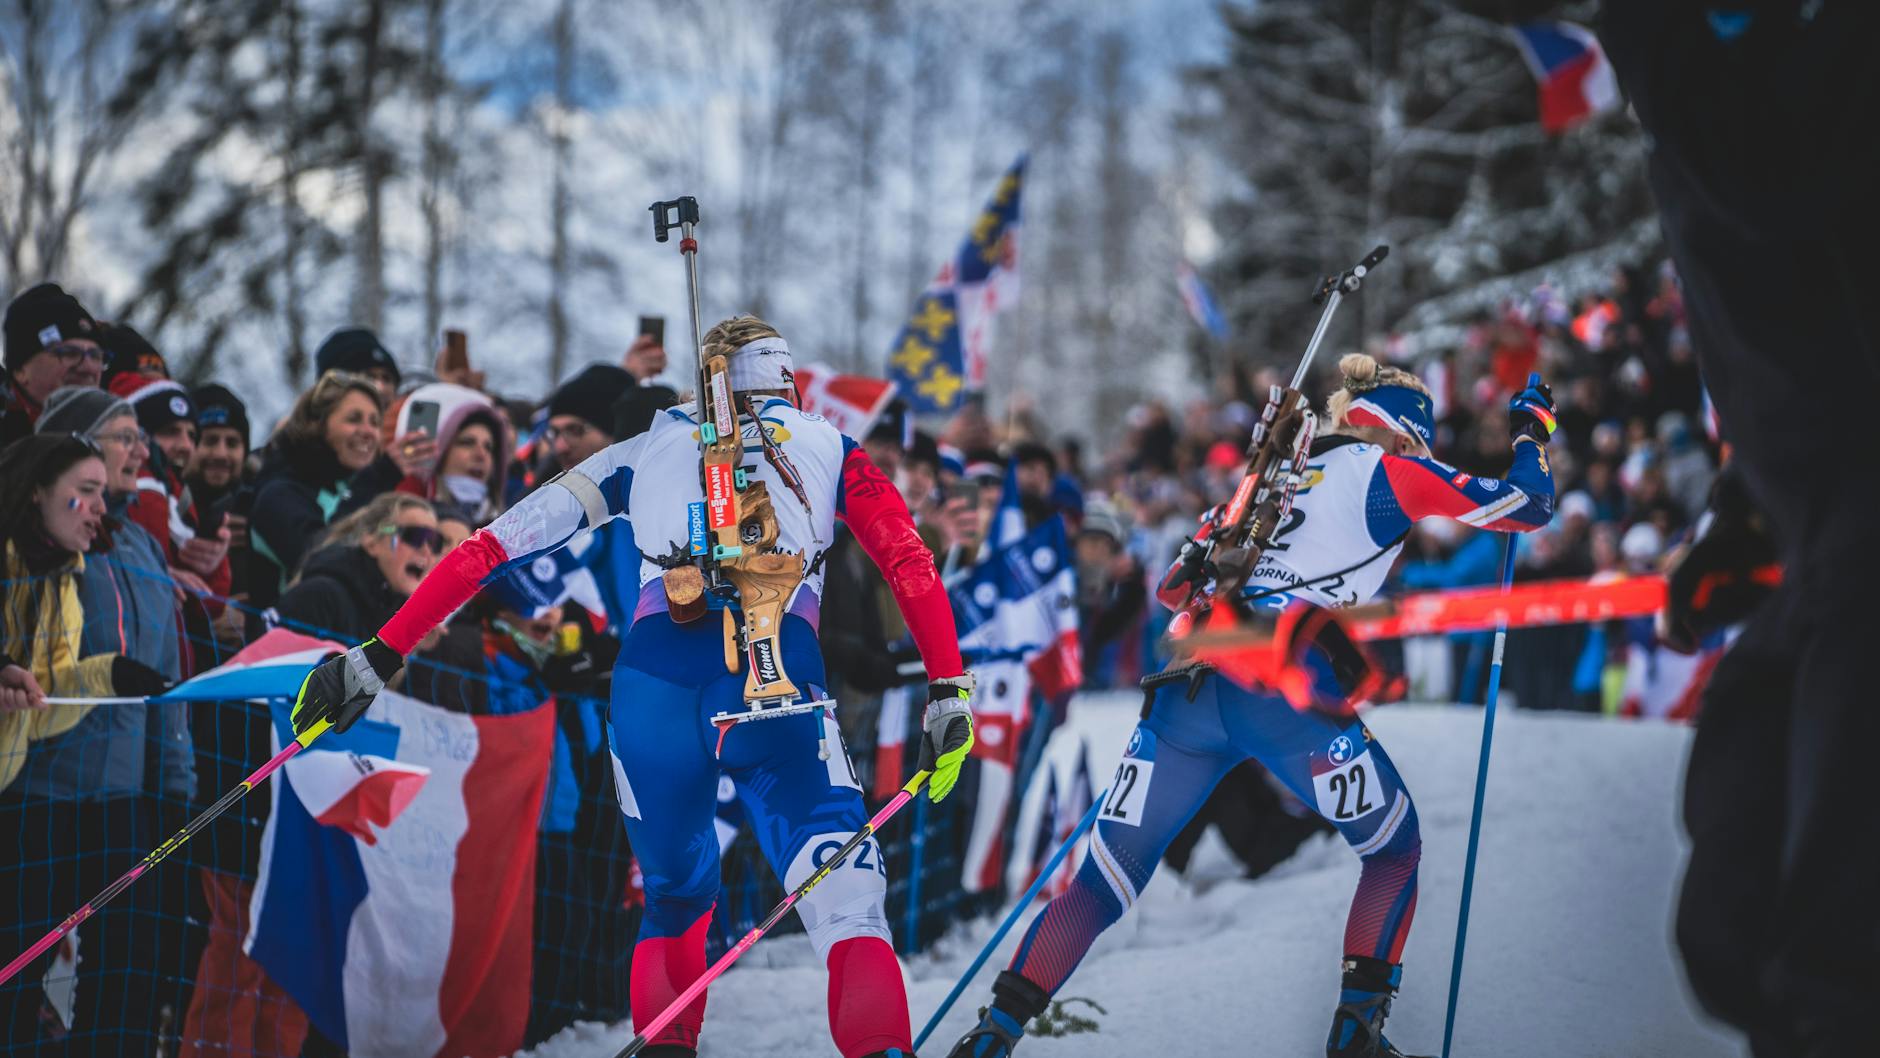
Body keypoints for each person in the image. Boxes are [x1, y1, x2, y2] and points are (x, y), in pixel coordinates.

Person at [289, 315, 977, 1058]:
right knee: (847, 906)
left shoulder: (644, 447)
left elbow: (491, 547)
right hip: (773, 680)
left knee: (674, 902)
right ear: (785, 381)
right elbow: (909, 560)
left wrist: (377, 656)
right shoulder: (830, 446)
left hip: (654, 692)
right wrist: (948, 689)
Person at [946, 354, 1556, 1058]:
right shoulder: (1390, 471)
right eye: (1420, 445)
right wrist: (1530, 434)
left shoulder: (1270, 477)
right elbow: (1527, 507)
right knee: (1394, 848)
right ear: (1399, 434)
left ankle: (993, 1034)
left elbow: (1174, 588)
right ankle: (1357, 1034)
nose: (1422, 458)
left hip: (1190, 691)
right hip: (1281, 689)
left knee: (1103, 881)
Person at [1600, 10, 1880, 1055]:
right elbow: (1805, 323)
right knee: (1733, 925)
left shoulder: (1813, 70)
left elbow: (1766, 179)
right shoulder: (1711, 89)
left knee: (1838, 959)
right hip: (1820, 532)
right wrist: (1744, 507)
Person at [0, 434, 175, 1055]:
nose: (101, 507)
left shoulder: (63, 579)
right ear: (38, 491)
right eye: (86, 491)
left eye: (104, 492)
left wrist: (108, 676)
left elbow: (39, 710)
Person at [247, 371, 391, 608]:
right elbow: (319, 557)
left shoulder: (363, 489)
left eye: (375, 423)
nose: (368, 431)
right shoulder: (278, 493)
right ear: (317, 424)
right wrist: (380, 477)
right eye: (354, 419)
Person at [389, 381, 511, 525]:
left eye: (488, 447)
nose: (481, 455)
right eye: (467, 443)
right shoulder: (399, 516)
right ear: (441, 454)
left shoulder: (507, 531)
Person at [1, 282, 104, 446]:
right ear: (21, 370)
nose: (89, 367)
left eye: (96, 356)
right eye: (70, 353)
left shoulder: (121, 442)